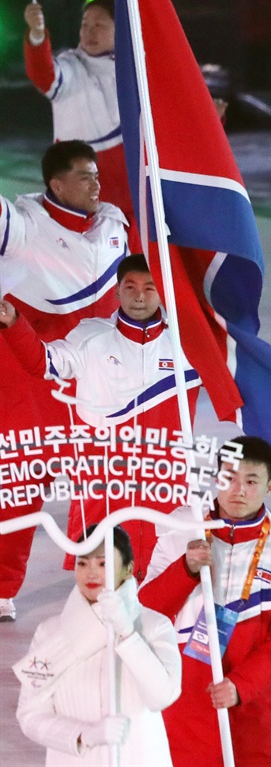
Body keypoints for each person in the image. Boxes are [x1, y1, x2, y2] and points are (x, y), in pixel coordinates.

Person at [0, 255, 200, 582]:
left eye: (149, 288)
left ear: (162, 292)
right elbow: (43, 363)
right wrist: (13, 323)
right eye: (130, 287)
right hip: (105, 493)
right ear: (116, 293)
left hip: (166, 492)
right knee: (100, 603)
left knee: (163, 599)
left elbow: (249, 373)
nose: (139, 296)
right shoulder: (90, 337)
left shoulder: (187, 345)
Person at [0, 139, 128, 622]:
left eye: (96, 174)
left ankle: (100, 578)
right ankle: (1, 587)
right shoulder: (23, 225)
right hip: (30, 372)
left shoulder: (114, 224)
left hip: (96, 374)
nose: (96, 183)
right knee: (21, 482)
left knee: (103, 480)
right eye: (84, 176)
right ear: (56, 184)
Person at [139, 435, 271, 767]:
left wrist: (242, 685)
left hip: (260, 706)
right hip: (189, 699)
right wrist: (185, 570)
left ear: (270, 486)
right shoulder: (179, 531)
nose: (238, 490)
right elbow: (145, 612)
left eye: (251, 481)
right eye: (229, 478)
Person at [13, 524, 181, 766]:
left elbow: (161, 696)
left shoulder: (155, 626)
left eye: (103, 564)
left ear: (128, 569)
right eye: (82, 563)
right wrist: (84, 735)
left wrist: (127, 633)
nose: (91, 573)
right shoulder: (50, 632)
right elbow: (30, 715)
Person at [23, 0, 138, 252]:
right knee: (81, 253)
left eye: (99, 24)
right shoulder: (70, 67)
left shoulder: (135, 67)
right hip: (79, 184)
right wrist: (38, 35)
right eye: (85, 24)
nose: (89, 31)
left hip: (131, 186)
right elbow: (44, 75)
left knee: (138, 262)